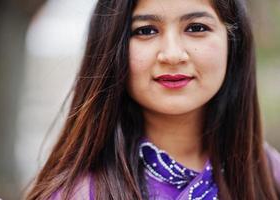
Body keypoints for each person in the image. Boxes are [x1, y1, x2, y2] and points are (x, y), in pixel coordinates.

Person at [25, 0, 280, 199]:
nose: (172, 54)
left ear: (233, 42)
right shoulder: (80, 193)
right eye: (146, 31)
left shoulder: (269, 173)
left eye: (196, 28)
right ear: (111, 48)